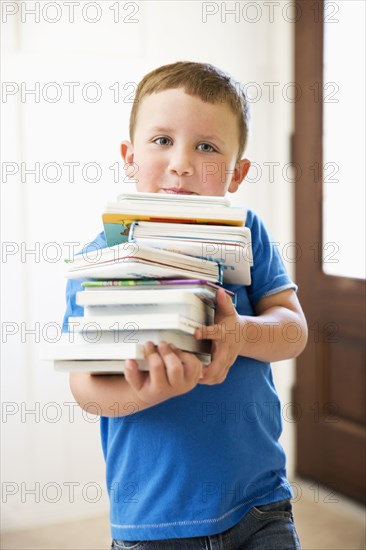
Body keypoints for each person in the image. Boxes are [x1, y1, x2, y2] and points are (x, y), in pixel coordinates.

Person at [64, 61, 307, 549]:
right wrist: (155, 390)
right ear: (128, 156)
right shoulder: (101, 256)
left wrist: (243, 333)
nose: (181, 162)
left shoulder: (247, 232)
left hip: (260, 502)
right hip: (154, 518)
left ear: (237, 174)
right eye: (161, 141)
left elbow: (293, 328)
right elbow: (87, 388)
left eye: (207, 147)